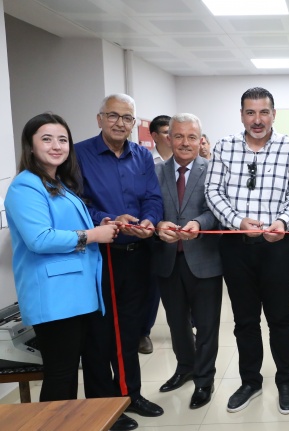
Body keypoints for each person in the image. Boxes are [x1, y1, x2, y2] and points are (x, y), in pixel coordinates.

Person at [205, 87, 289, 414]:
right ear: (242, 116)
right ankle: (250, 381)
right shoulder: (224, 147)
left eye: (264, 112)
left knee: (280, 319)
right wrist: (237, 221)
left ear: (273, 115)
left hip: (278, 247)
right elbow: (213, 191)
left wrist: (282, 222)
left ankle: (286, 381)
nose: (257, 119)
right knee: (245, 320)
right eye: (250, 112)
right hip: (236, 246)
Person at [4, 113, 119, 402]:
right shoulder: (25, 186)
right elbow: (39, 239)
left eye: (62, 140)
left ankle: (82, 420)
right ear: (30, 146)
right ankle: (55, 423)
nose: (56, 146)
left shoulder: (57, 182)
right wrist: (93, 235)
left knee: (77, 370)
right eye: (47, 139)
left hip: (77, 293)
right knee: (61, 375)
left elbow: (65, 226)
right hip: (54, 296)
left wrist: (98, 226)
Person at [75, 93, 164, 431]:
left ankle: (130, 395)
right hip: (101, 257)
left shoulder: (142, 155)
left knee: (130, 331)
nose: (120, 123)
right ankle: (102, 406)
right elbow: (77, 203)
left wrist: (148, 221)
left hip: (136, 255)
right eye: (113, 115)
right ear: (99, 118)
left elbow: (153, 197)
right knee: (99, 336)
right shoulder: (80, 154)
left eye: (127, 118)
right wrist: (110, 219)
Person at [152, 113, 223, 410]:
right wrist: (158, 224)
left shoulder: (214, 170)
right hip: (167, 259)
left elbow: (217, 210)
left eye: (191, 137)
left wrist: (198, 223)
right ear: (169, 139)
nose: (185, 142)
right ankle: (185, 367)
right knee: (176, 322)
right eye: (178, 136)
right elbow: (150, 207)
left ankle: (204, 380)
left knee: (206, 325)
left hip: (204, 258)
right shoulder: (155, 171)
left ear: (200, 140)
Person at [140, 114, 172, 355]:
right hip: (153, 231)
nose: (172, 137)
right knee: (151, 287)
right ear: (154, 136)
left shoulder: (186, 161)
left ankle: (187, 328)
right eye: (166, 132)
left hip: (181, 233)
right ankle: (144, 332)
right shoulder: (146, 162)